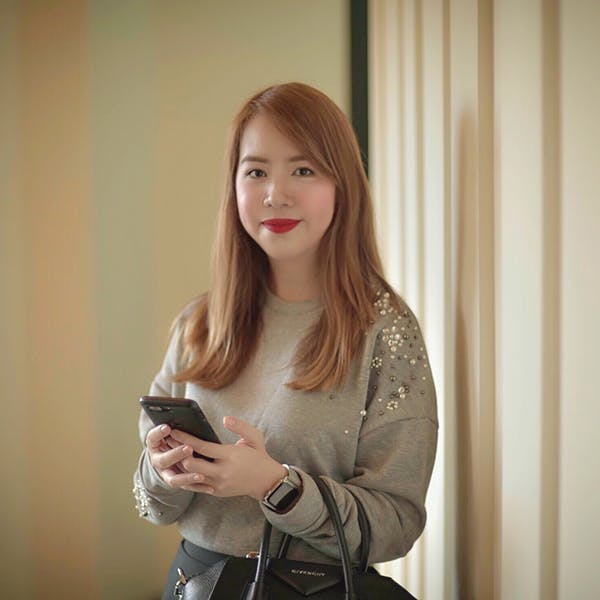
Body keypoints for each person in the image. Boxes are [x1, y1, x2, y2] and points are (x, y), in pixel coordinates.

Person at [133, 82, 438, 599]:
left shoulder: (385, 331)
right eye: (256, 171)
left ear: (342, 185)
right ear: (234, 187)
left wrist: (274, 485)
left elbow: (397, 524)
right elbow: (153, 506)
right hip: (194, 585)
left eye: (303, 170)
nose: (276, 193)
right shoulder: (199, 324)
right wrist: (161, 473)